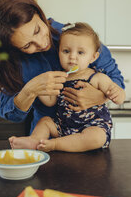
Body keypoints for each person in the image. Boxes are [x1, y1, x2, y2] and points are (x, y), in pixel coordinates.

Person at [0, 0, 125, 141]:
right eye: (27, 45)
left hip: (87, 134)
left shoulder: (76, 37)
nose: (41, 44)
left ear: (38, 13)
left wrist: (99, 97)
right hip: (45, 138)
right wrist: (30, 90)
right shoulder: (11, 62)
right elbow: (12, 114)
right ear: (13, 49)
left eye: (37, 30)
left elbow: (116, 81)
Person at [9, 22, 125, 152]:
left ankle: (54, 144)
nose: (72, 57)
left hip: (91, 126)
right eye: (66, 51)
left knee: (96, 137)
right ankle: (34, 140)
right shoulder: (60, 78)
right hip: (64, 127)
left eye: (80, 52)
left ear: (93, 57)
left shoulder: (97, 77)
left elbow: (119, 97)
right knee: (45, 121)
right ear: (58, 52)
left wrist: (117, 93)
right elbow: (50, 102)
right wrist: (38, 89)